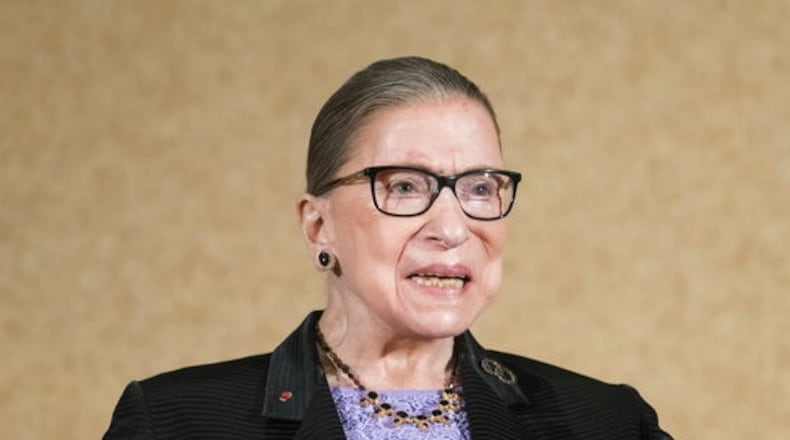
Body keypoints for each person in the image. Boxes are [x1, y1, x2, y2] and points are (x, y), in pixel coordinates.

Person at [104, 56, 673, 439]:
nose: (451, 227)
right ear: (317, 227)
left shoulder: (609, 422)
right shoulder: (175, 423)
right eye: (404, 186)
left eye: (479, 187)